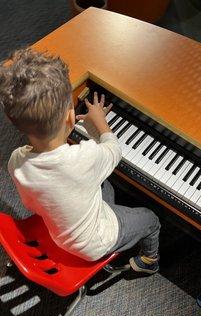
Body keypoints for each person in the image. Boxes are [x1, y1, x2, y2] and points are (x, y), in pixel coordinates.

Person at [0, 48, 160, 273]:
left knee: (104, 184)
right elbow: (114, 150)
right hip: (96, 242)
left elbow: (31, 205)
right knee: (151, 219)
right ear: (70, 116)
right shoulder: (85, 158)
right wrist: (100, 123)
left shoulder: (16, 161)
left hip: (59, 233)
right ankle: (149, 261)